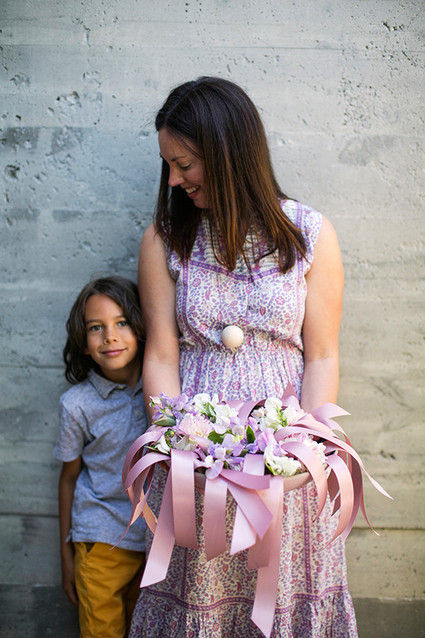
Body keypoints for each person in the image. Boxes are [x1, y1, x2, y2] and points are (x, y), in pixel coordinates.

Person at [130, 77, 358, 637]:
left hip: (285, 463)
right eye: (168, 165)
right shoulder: (164, 240)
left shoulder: (309, 234)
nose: (173, 180)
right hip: (196, 468)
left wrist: (305, 450)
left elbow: (322, 356)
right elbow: (160, 356)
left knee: (279, 595)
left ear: (228, 153)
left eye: (184, 164)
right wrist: (178, 447)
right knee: (202, 597)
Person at [54, 276, 148, 638]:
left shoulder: (166, 389)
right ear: (82, 342)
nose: (110, 336)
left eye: (121, 323)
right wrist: (67, 556)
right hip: (100, 539)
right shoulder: (76, 405)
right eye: (96, 327)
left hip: (155, 541)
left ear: (141, 326)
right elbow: (68, 478)